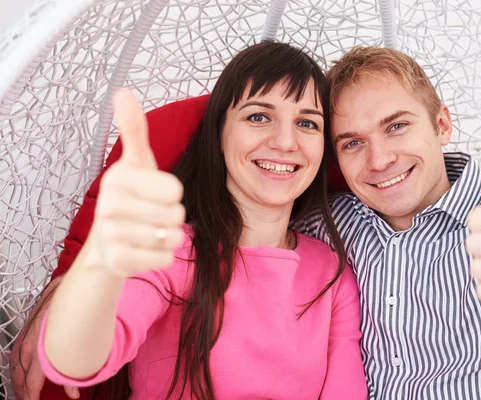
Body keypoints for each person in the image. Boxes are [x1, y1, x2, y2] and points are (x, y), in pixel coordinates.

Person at [35, 41, 368, 399]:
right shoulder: (171, 251)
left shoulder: (333, 272)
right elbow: (76, 361)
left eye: (307, 123)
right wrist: (100, 262)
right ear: (220, 133)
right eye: (259, 116)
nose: (286, 141)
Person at [295, 46, 481, 399]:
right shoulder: (328, 224)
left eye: (396, 126)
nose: (378, 160)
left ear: (441, 125)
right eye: (352, 143)